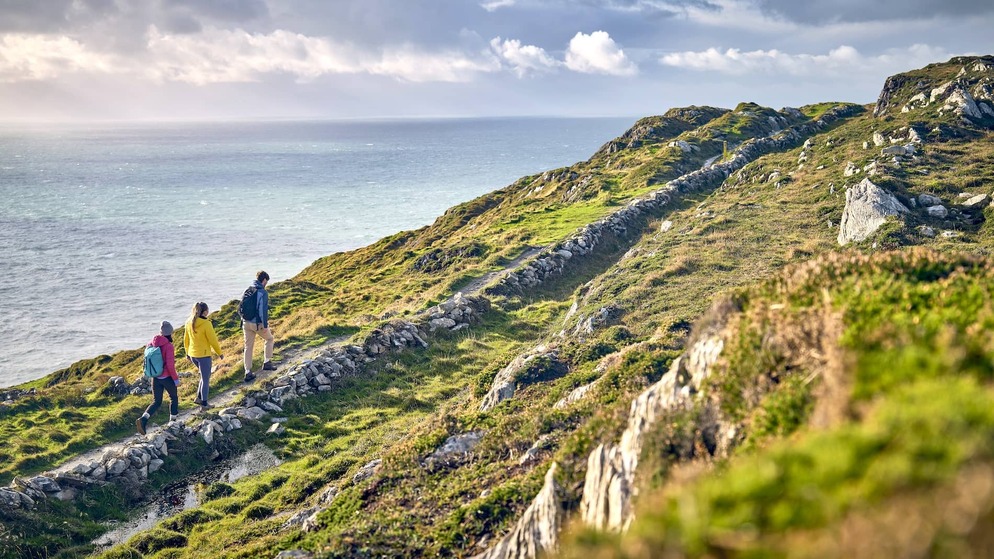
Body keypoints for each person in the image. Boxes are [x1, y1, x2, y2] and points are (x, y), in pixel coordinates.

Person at [137, 321, 180, 435]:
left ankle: (143, 419)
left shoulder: (151, 343)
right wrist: (175, 379)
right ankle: (173, 422)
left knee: (157, 401)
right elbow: (170, 365)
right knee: (173, 398)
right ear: (170, 332)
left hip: (155, 377)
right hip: (166, 377)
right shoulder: (168, 346)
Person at [184, 301, 223, 409]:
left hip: (193, 355)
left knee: (203, 376)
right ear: (205, 312)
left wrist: (187, 353)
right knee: (206, 379)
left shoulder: (188, 322)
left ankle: (198, 398)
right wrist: (220, 353)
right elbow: (213, 341)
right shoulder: (206, 324)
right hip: (204, 356)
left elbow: (185, 340)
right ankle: (205, 404)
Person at [241, 270, 275, 381]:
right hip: (257, 324)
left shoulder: (248, 290)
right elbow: (262, 310)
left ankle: (248, 371)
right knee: (269, 339)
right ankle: (267, 362)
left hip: (246, 323)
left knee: (248, 347)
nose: (266, 284)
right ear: (264, 280)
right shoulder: (262, 292)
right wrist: (264, 326)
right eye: (267, 281)